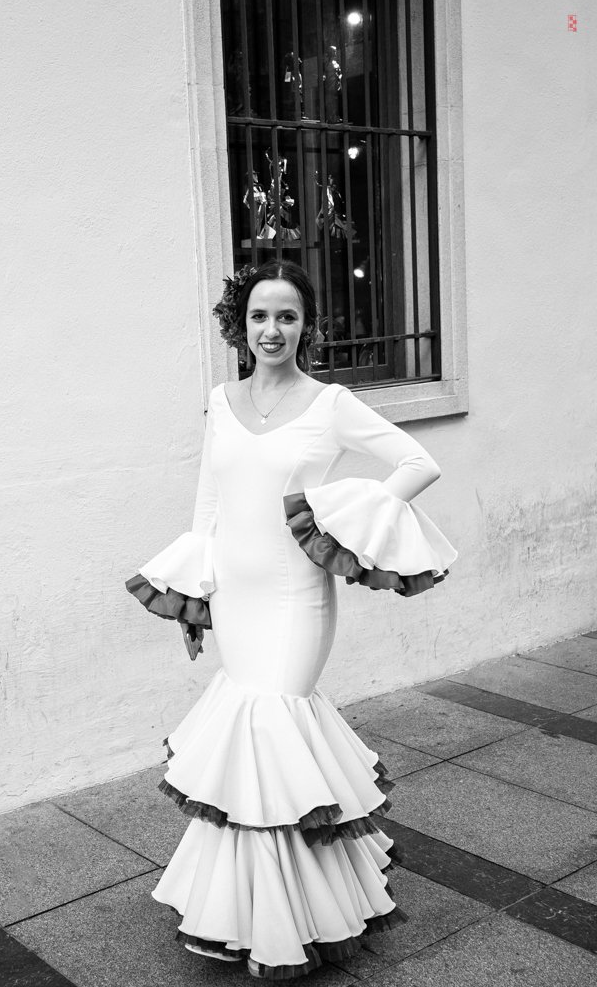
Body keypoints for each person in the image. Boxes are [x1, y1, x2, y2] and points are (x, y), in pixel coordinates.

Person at [126, 260, 457, 979]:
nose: (271, 330)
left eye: (287, 316)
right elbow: (209, 501)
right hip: (237, 600)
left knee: (274, 727)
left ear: (308, 325)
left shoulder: (330, 402)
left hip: (297, 600)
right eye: (258, 316)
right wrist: (196, 595)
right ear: (237, 326)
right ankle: (244, 911)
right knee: (248, 746)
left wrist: (344, 514)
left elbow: (416, 461)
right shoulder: (220, 399)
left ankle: (289, 919)